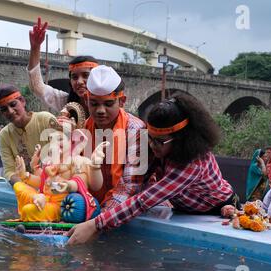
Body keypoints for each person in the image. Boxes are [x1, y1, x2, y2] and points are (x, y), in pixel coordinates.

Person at [67, 92, 236, 245]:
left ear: (183, 139)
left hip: (215, 209)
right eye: (150, 138)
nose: (152, 147)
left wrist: (96, 225)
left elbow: (143, 201)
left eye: (160, 141)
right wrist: (101, 214)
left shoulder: (194, 163)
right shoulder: (159, 147)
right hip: (183, 210)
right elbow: (134, 183)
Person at [82, 65, 146, 211]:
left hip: (133, 210)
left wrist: (97, 220)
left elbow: (130, 188)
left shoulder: (136, 130)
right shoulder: (86, 126)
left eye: (108, 103)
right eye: (94, 104)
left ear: (122, 101)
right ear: (86, 100)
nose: (100, 110)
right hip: (96, 207)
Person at [28, 17, 99, 115]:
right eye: (74, 77)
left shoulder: (107, 106)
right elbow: (37, 87)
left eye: (86, 75)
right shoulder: (66, 102)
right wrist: (35, 47)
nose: (79, 82)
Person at [0, 85, 57, 185]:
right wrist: (24, 188)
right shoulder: (4, 135)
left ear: (22, 101)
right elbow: (9, 171)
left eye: (13, 104)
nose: (10, 111)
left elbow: (63, 156)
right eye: (4, 109)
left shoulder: (45, 119)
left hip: (55, 183)